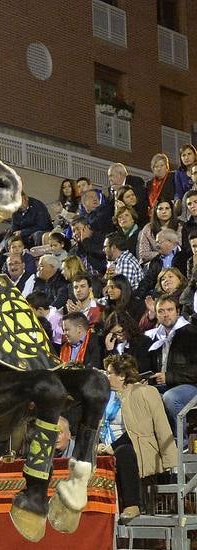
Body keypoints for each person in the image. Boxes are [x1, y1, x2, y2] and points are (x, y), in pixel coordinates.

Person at [100, 354, 176, 523]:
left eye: (110, 373)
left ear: (122, 375)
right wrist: (99, 444)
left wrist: (171, 460)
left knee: (123, 452)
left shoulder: (143, 392)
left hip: (138, 446)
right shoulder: (108, 396)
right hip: (109, 445)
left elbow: (139, 430)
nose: (106, 376)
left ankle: (132, 505)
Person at [146, 296, 197, 442]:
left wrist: (169, 377)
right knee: (139, 394)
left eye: (169, 310)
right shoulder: (155, 336)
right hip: (164, 385)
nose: (165, 314)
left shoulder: (191, 333)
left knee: (170, 397)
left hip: (190, 386)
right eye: (161, 311)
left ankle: (181, 442)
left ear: (178, 311)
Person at [137, 199, 181, 267]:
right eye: (160, 209)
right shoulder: (148, 228)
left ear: (171, 210)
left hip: (176, 263)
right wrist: (162, 254)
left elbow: (180, 248)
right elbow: (143, 254)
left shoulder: (179, 227)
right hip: (155, 265)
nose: (164, 211)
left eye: (167, 208)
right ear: (155, 211)